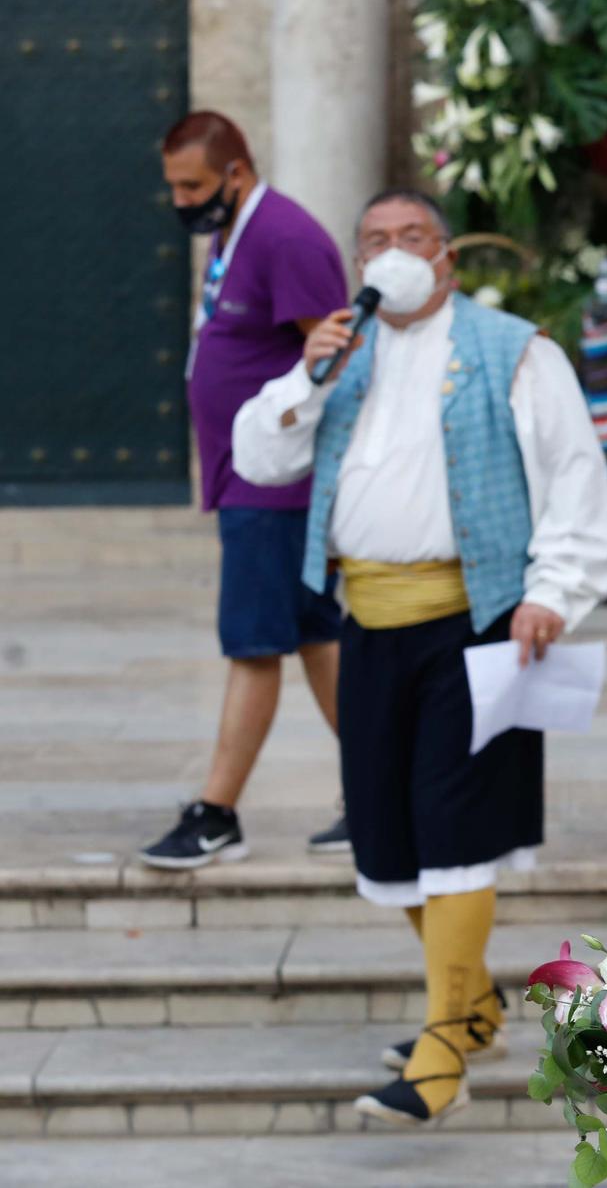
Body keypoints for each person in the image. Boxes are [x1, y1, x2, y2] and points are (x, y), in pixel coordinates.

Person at [231, 189, 607, 1126]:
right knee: (388, 831)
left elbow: (573, 475)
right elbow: (261, 458)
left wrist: (551, 591)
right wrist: (306, 375)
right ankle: (472, 1001)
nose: (392, 252)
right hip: (367, 620)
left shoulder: (513, 348)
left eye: (411, 238)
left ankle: (446, 1044)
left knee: (455, 828)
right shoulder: (339, 353)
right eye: (374, 240)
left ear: (446, 258)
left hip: (474, 619)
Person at [142, 112, 349, 869]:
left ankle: (217, 813)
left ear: (235, 172)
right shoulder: (235, 234)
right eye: (171, 186)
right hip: (251, 477)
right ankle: (379, 790)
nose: (181, 200)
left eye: (192, 185)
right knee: (316, 635)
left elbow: (332, 356)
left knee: (254, 641)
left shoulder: (286, 237)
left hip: (277, 484)